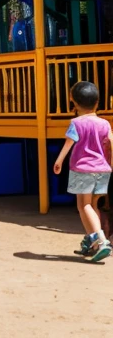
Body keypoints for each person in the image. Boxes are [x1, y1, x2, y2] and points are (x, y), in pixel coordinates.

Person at [54, 80, 113, 262]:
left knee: (83, 205)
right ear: (97, 102)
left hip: (83, 169)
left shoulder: (76, 123)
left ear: (74, 103)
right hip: (103, 169)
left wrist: (59, 160)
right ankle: (93, 243)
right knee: (91, 205)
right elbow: (110, 142)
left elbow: (68, 143)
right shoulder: (105, 123)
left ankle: (101, 241)